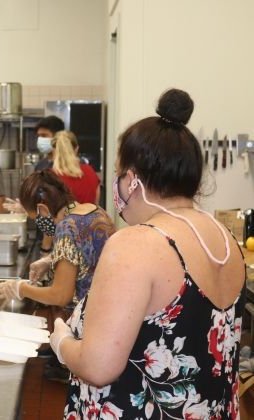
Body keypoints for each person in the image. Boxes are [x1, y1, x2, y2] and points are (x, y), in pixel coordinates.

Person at [50, 89, 245, 418]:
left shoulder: (137, 243)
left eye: (118, 174)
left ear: (132, 180)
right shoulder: (225, 240)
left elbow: (99, 366)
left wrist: (63, 344)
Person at [0, 169, 115, 310]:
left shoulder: (66, 227)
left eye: (35, 218)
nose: (39, 223)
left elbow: (60, 296)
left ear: (42, 209)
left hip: (90, 314)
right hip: (110, 305)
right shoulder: (96, 211)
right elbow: (88, 253)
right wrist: (51, 260)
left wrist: (20, 288)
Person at [51, 130, 100, 204]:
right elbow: (96, 204)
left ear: (54, 151)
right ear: (76, 149)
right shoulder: (90, 172)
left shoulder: (50, 177)